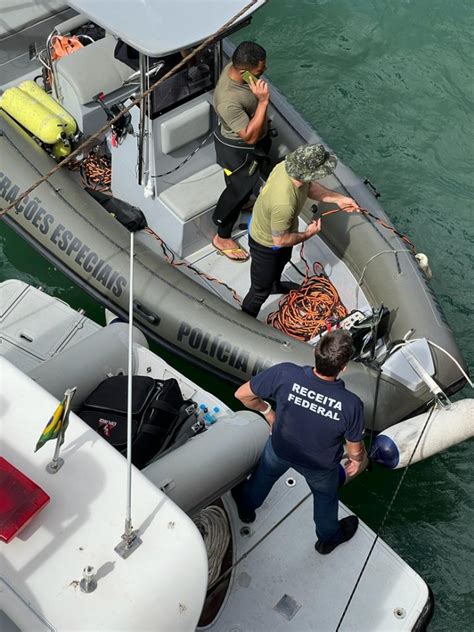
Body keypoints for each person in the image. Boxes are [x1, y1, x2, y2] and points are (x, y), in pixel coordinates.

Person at [233, 330, 367, 554]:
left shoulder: (285, 373)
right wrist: (356, 460)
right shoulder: (351, 404)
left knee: (263, 475)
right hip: (320, 466)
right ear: (343, 367)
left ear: (316, 352)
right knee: (325, 498)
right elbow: (355, 448)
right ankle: (328, 539)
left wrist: (268, 412)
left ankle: (246, 508)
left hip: (280, 448)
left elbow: (242, 394)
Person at [241, 143, 359, 317]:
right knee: (259, 291)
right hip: (265, 243)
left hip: (283, 231)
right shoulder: (284, 203)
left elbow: (310, 188)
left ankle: (276, 285)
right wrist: (308, 233)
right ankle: (244, 320)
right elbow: (279, 241)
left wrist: (339, 199)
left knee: (283, 259)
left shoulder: (285, 168)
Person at [211, 41, 272, 261]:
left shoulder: (239, 71)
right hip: (239, 150)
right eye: (259, 72)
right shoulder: (228, 100)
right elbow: (250, 136)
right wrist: (263, 103)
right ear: (245, 70)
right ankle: (222, 235)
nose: (262, 75)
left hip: (251, 144)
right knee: (237, 190)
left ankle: (246, 200)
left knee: (245, 186)